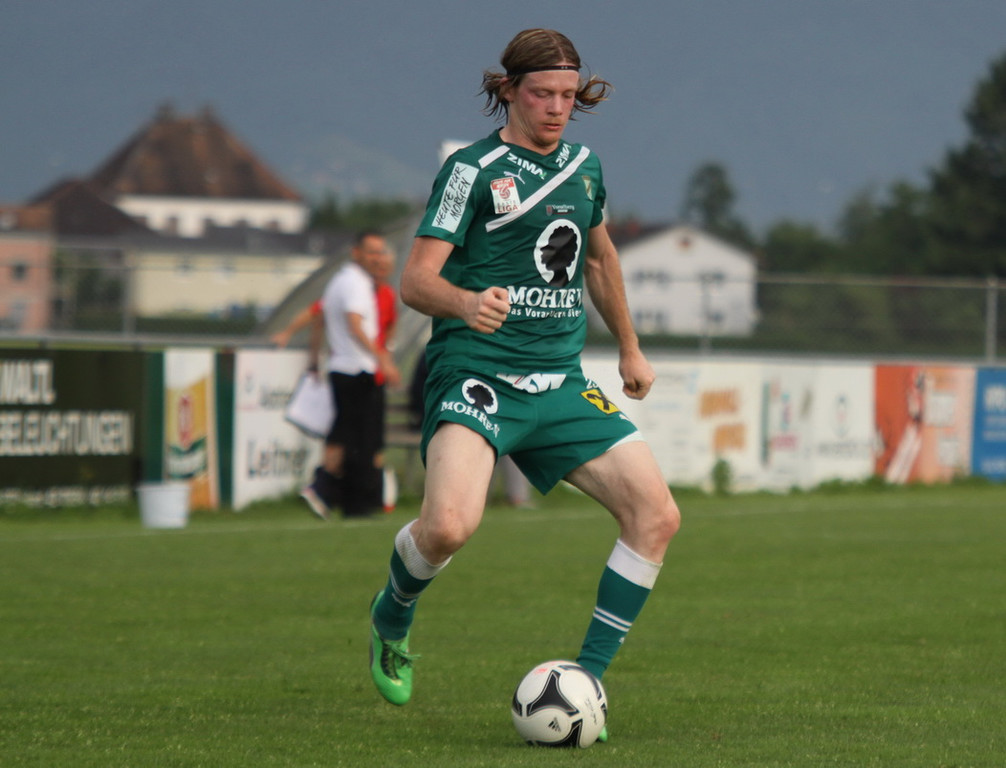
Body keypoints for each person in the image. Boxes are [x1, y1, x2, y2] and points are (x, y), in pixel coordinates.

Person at [367, 29, 681, 740]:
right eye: (543, 94)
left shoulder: (584, 167)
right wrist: (464, 302)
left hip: (560, 381)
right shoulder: (471, 171)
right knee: (448, 528)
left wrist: (630, 347)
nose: (557, 109)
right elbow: (416, 281)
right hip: (476, 374)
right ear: (509, 89)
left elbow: (599, 261)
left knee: (657, 516)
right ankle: (393, 612)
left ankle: (587, 682)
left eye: (569, 96)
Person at [300, 231, 400, 519]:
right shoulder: (355, 283)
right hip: (356, 368)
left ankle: (335, 495)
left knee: (351, 437)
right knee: (360, 441)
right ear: (356, 252)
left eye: (380, 252)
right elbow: (355, 324)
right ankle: (352, 501)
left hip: (345, 366)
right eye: (372, 252)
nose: (377, 258)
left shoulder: (342, 280)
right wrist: (382, 358)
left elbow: (321, 318)